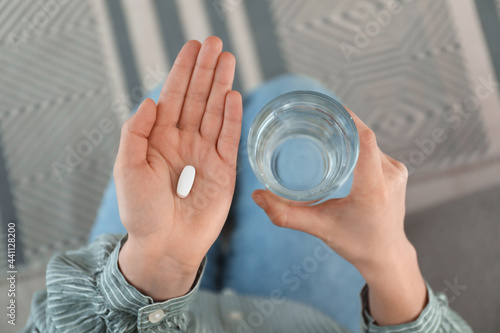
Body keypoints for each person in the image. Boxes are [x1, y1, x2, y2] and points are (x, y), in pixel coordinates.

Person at [22, 37, 472, 333]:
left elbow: (45, 323)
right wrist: (389, 257)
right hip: (304, 321)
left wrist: (159, 260)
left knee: (168, 108)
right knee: (289, 94)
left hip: (141, 309)